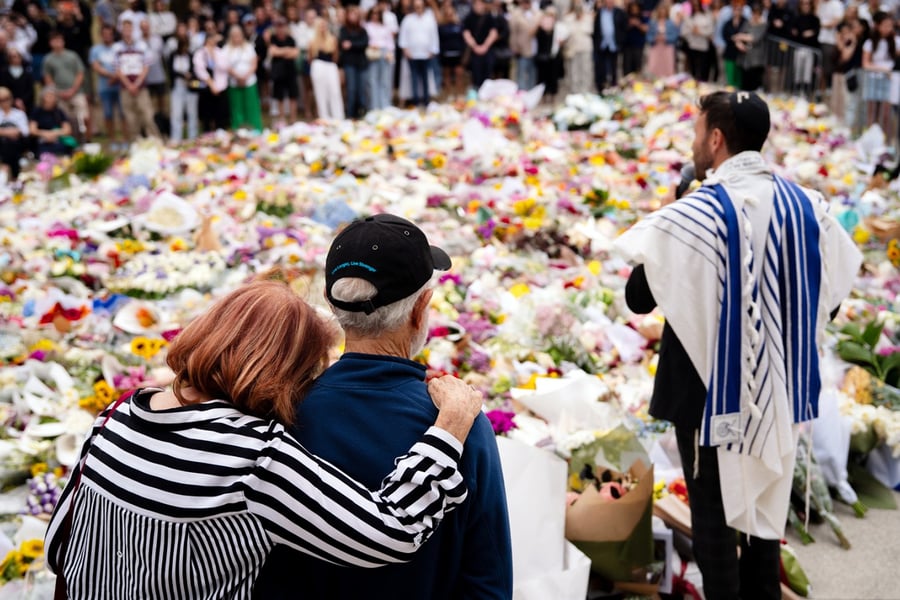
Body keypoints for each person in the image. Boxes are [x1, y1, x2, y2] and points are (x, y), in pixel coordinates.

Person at [45, 274, 485, 599]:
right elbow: (391, 532)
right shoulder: (251, 456)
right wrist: (450, 427)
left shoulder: (117, 414)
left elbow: (58, 546)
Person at [616, 91, 861, 600]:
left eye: (696, 130)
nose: (693, 141)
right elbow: (832, 298)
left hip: (705, 397)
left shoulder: (695, 214)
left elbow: (638, 298)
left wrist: (674, 221)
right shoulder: (807, 206)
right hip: (780, 391)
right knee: (763, 526)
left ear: (716, 139)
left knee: (713, 529)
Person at [255, 215, 513, 600]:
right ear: (420, 307)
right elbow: (487, 576)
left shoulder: (282, 411)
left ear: (332, 302)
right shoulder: (456, 421)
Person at [115, 19, 161, 140]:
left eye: (129, 29)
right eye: (125, 29)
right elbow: (118, 69)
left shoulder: (141, 46)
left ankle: (155, 139)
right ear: (121, 31)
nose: (127, 32)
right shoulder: (117, 47)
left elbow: (146, 67)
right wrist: (129, 85)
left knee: (147, 114)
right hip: (125, 87)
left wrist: (137, 84)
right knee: (130, 116)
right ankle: (136, 141)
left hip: (141, 85)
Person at [43, 31, 90, 140]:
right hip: (59, 95)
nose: (58, 43)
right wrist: (57, 92)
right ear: (50, 43)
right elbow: (48, 78)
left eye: (60, 40)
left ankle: (87, 140)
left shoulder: (72, 55)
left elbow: (80, 73)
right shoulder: (48, 59)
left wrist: (73, 90)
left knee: (84, 117)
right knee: (65, 121)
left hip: (76, 92)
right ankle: (71, 143)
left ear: (63, 42)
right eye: (55, 41)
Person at [91, 24, 128, 149]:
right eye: (104, 34)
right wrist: (112, 76)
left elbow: (124, 64)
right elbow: (96, 66)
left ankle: (125, 138)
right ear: (101, 35)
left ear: (113, 35)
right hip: (104, 87)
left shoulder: (118, 48)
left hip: (120, 86)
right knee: (108, 114)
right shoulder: (96, 50)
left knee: (123, 113)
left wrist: (116, 77)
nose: (107, 36)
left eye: (109, 34)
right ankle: (112, 139)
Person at [224, 24, 264, 131]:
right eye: (234, 36)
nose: (237, 38)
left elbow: (254, 62)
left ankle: (255, 129)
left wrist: (246, 76)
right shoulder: (226, 49)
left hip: (249, 81)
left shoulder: (249, 47)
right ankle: (239, 131)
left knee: (251, 107)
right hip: (234, 82)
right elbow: (226, 65)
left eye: (238, 35)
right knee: (237, 108)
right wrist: (237, 77)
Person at [861, 11, 896, 135]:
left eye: (890, 26)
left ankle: (884, 138)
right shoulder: (870, 43)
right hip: (873, 78)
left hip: (888, 80)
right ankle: (869, 136)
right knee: (872, 112)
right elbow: (866, 64)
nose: (888, 28)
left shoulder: (895, 42)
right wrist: (883, 69)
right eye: (885, 25)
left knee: (886, 113)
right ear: (878, 26)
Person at [399, 0, 439, 107]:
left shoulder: (429, 19)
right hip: (412, 55)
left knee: (426, 78)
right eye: (416, 7)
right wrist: (405, 50)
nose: (418, 9)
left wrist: (433, 50)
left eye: (420, 6)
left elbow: (434, 36)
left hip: (426, 54)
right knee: (414, 78)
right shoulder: (408, 19)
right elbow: (403, 36)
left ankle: (426, 100)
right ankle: (415, 101)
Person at [193, 29, 231, 132]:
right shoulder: (200, 53)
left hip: (221, 88)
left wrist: (214, 57)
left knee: (221, 117)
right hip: (207, 88)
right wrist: (211, 84)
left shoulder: (219, 52)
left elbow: (225, 67)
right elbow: (200, 70)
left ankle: (221, 135)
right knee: (207, 117)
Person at [309, 16, 345, 120]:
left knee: (335, 92)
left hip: (330, 66)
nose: (323, 28)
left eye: (324, 25)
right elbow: (310, 57)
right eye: (321, 26)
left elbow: (336, 56)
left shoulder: (332, 39)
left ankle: (338, 117)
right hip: (318, 66)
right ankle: (324, 117)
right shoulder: (312, 41)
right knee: (320, 93)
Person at [267, 17, 300, 124]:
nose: (281, 29)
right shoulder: (273, 38)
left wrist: (280, 51)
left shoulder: (291, 39)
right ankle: (282, 119)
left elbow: (295, 54)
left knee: (293, 95)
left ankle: (292, 118)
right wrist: (287, 50)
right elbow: (273, 52)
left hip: (290, 71)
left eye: (282, 26)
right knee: (279, 96)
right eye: (278, 26)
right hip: (278, 72)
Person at [340, 6, 370, 118]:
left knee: (361, 90)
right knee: (351, 90)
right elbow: (343, 45)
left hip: (361, 64)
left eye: (355, 14)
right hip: (349, 64)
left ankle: (361, 113)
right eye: (351, 14)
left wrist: (352, 44)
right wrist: (356, 44)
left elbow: (365, 43)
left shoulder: (362, 30)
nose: (353, 17)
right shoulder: (344, 30)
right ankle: (350, 114)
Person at [169, 34, 200, 142]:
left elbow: (196, 72)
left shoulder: (191, 56)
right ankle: (176, 138)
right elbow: (171, 72)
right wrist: (183, 75)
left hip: (191, 87)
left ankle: (193, 137)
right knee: (176, 113)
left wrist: (191, 78)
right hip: (177, 87)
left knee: (192, 113)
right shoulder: (173, 55)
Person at [535, 6, 568, 105]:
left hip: (554, 57)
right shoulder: (540, 26)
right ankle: (543, 96)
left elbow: (562, 40)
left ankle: (552, 96)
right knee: (542, 77)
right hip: (543, 56)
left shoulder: (559, 28)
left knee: (553, 77)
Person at [463, 0, 498, 91]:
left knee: (487, 75)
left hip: (487, 50)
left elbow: (493, 33)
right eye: (476, 4)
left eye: (480, 4)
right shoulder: (469, 18)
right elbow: (466, 34)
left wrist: (485, 46)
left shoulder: (489, 17)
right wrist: (475, 46)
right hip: (474, 51)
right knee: (476, 75)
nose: (478, 6)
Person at [366, 5, 396, 110]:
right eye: (373, 13)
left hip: (384, 52)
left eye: (377, 14)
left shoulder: (384, 27)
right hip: (373, 53)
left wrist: (390, 52)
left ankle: (386, 105)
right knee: (373, 80)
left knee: (385, 80)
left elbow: (390, 42)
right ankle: (375, 106)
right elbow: (366, 39)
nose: (375, 16)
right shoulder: (367, 26)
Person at [29, 87, 75, 156]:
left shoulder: (59, 112)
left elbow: (68, 129)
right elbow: (32, 130)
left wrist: (54, 134)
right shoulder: (37, 112)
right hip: (42, 141)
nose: (50, 99)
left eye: (52, 96)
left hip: (57, 139)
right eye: (48, 96)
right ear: (43, 98)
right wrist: (45, 134)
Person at [593, 0, 626, 91]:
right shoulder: (599, 12)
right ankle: (601, 89)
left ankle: (613, 88)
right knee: (601, 68)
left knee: (614, 68)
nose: (609, 3)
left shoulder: (619, 13)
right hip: (602, 44)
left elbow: (624, 28)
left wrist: (620, 41)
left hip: (614, 45)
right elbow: (595, 29)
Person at [563, 0, 594, 93]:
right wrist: (575, 19)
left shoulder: (588, 17)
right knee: (574, 71)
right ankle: (575, 91)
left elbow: (589, 30)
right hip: (573, 48)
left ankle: (585, 91)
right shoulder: (568, 18)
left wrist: (582, 18)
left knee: (586, 70)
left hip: (585, 47)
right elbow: (568, 32)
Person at [735, 2, 767, 90]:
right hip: (745, 57)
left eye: (757, 13)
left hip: (756, 59)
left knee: (754, 83)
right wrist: (739, 43)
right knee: (744, 82)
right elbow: (739, 35)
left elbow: (754, 38)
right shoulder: (748, 22)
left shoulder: (763, 24)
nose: (755, 15)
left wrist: (740, 36)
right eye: (754, 13)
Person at [509, 0, 539, 91]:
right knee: (521, 73)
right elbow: (513, 33)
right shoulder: (515, 14)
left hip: (534, 49)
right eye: (525, 2)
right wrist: (514, 47)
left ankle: (531, 92)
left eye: (528, 2)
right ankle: (521, 93)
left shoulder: (537, 13)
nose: (526, 4)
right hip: (522, 48)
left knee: (532, 73)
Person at [140, 19, 168, 114]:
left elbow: (163, 56)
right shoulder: (139, 42)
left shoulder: (157, 39)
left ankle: (162, 119)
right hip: (146, 77)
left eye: (146, 26)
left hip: (159, 75)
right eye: (143, 27)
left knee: (161, 100)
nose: (145, 29)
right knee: (149, 101)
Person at [0, 86, 27, 182]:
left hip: (17, 144)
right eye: (1, 100)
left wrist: (3, 132)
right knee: (6, 144)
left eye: (6, 99)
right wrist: (8, 132)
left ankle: (8, 169)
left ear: (11, 99)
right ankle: (14, 175)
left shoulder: (19, 114)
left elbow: (25, 131)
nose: (4, 102)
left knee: (11, 144)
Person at [682, 0, 714, 81]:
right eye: (694, 5)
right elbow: (684, 32)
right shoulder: (690, 17)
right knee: (693, 68)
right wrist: (692, 32)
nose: (696, 6)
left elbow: (710, 30)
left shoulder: (707, 15)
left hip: (703, 46)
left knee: (703, 68)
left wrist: (700, 32)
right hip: (692, 45)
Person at [646, 3, 679, 79]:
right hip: (656, 47)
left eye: (663, 11)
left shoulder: (671, 23)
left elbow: (675, 36)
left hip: (667, 47)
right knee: (654, 65)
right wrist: (655, 38)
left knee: (667, 66)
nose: (662, 12)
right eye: (660, 10)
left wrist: (666, 38)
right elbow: (648, 36)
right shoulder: (653, 22)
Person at [0, 47, 34, 115]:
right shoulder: (3, 73)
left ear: (21, 58)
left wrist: (22, 101)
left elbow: (30, 90)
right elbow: (3, 89)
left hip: (25, 104)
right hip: (7, 103)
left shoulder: (27, 73)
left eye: (17, 56)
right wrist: (14, 101)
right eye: (12, 57)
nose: (15, 59)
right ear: (9, 58)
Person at [623, 0, 648, 76]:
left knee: (637, 66)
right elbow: (621, 29)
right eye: (633, 8)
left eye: (636, 8)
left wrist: (638, 24)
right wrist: (630, 24)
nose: (634, 10)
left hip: (638, 46)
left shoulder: (642, 18)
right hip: (627, 46)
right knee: (627, 67)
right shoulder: (626, 17)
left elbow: (646, 29)